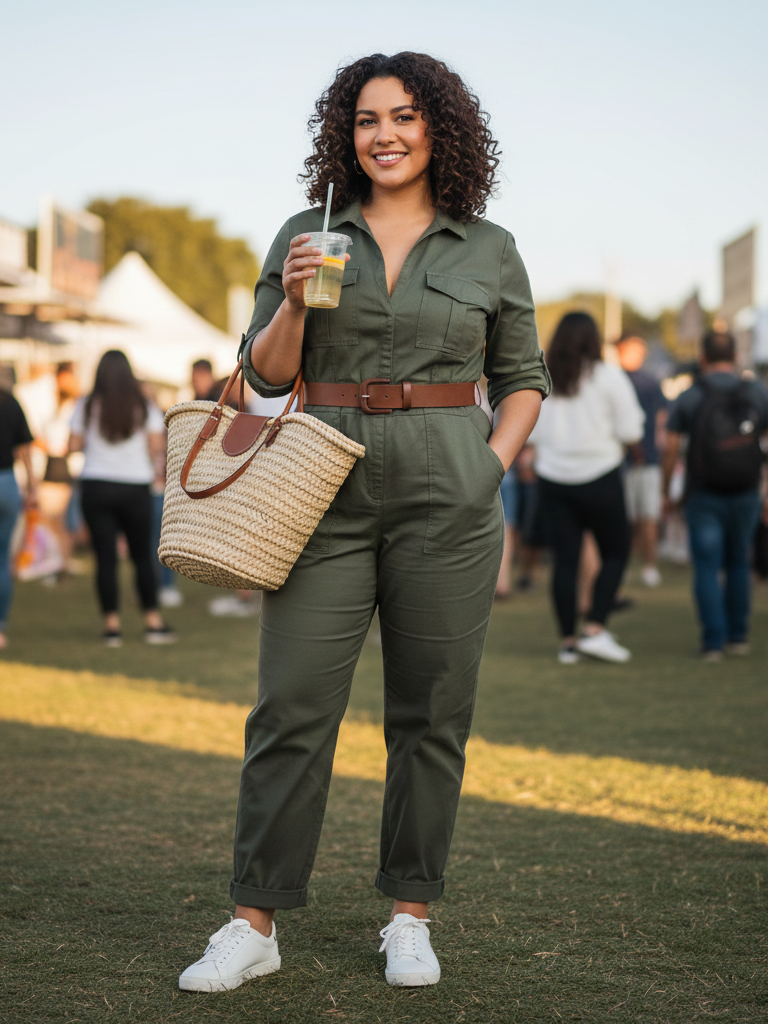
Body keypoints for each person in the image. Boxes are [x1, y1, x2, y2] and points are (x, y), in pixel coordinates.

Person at [179, 51, 549, 994]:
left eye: (405, 117)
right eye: (366, 120)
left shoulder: (488, 245)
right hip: (321, 486)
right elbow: (263, 377)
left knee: (432, 714)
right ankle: (252, 922)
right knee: (292, 707)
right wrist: (297, 301)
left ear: (441, 130)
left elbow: (523, 379)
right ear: (345, 135)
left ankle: (409, 915)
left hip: (450, 493)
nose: (384, 135)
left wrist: (489, 466)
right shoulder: (309, 230)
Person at [529, 311, 644, 664]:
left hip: (552, 477)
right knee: (615, 552)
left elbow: (529, 429)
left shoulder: (543, 377)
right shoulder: (608, 377)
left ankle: (567, 643)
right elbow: (632, 431)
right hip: (601, 475)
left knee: (565, 561)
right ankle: (595, 628)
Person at [663, 329, 768, 660]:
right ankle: (738, 637)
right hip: (747, 489)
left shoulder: (690, 395)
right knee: (739, 560)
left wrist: (667, 490)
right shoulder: (758, 392)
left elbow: (671, 448)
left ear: (703, 358)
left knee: (706, 565)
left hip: (703, 491)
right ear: (735, 356)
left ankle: (713, 642)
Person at [69, 350, 177, 647]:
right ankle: (153, 622)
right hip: (134, 487)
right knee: (142, 556)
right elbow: (157, 448)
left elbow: (73, 445)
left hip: (96, 485)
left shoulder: (87, 405)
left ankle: (112, 627)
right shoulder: (143, 405)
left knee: (105, 559)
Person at [615, 333, 668, 586]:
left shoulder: (650, 381)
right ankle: (620, 564)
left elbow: (661, 419)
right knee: (621, 518)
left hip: (647, 460)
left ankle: (650, 565)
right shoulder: (613, 378)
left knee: (648, 515)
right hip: (618, 461)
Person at [0, 384, 36, 649]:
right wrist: (33, 485)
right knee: (2, 560)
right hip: (6, 483)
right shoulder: (9, 401)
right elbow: (25, 447)